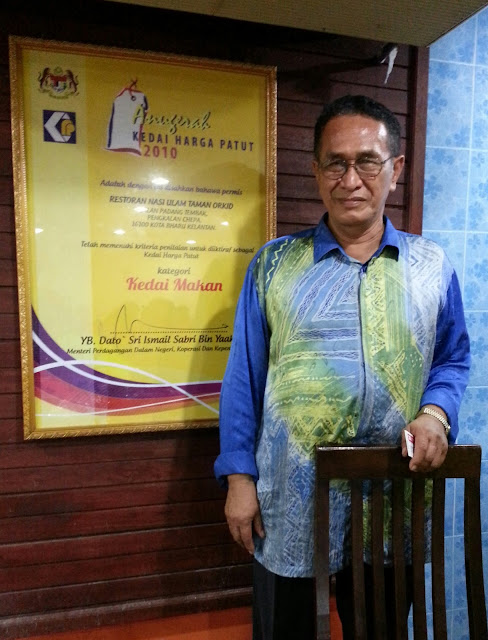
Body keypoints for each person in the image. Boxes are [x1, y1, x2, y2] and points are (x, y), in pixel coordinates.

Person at [214, 94, 470, 640]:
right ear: (316, 171)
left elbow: (452, 358)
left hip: (393, 493)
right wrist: (238, 478)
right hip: (290, 496)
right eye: (336, 163)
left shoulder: (431, 267)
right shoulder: (274, 265)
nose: (350, 179)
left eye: (367, 162)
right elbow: (243, 379)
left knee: (381, 630)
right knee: (285, 630)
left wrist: (436, 414)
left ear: (395, 168)